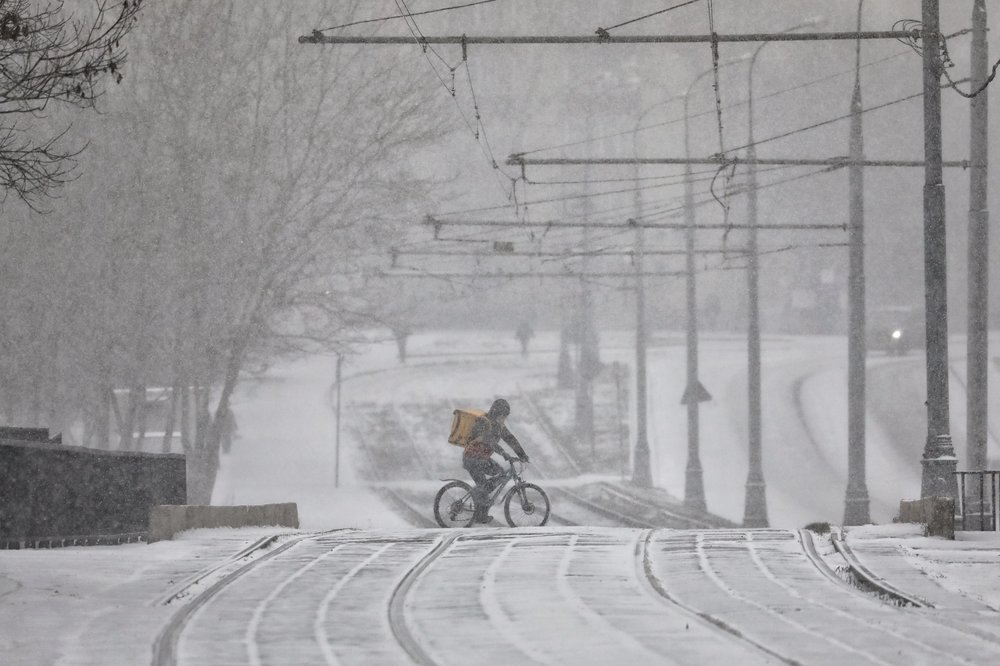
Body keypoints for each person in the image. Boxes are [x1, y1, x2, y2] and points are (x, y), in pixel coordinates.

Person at [463, 398, 530, 524]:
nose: (504, 419)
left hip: (482, 459)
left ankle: (481, 497)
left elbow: (511, 439)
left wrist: (522, 455)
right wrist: (504, 453)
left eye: (505, 416)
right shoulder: (484, 423)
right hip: (472, 459)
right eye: (503, 416)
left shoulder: (499, 426)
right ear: (496, 413)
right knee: (484, 486)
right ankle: (479, 510)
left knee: (500, 473)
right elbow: (489, 441)